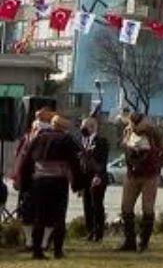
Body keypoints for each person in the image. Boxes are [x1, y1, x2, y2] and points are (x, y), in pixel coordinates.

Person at [13, 114, 82, 260]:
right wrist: (78, 184)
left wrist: (24, 183)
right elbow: (74, 163)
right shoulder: (66, 139)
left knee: (39, 216)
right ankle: (57, 251)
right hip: (58, 182)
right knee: (59, 217)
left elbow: (26, 162)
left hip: (39, 182)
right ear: (64, 128)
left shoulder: (38, 138)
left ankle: (37, 251)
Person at [118, 114, 163, 252]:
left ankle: (143, 242)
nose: (134, 127)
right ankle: (129, 242)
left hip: (149, 175)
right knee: (126, 207)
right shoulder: (128, 131)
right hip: (132, 174)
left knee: (147, 208)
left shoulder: (155, 133)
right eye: (132, 124)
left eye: (137, 124)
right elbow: (124, 145)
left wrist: (157, 165)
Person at [11, 108, 55, 253]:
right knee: (26, 212)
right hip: (28, 180)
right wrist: (17, 176)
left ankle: (43, 243)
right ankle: (29, 241)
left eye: (41, 119)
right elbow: (20, 158)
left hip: (45, 179)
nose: (37, 122)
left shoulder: (51, 137)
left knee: (46, 213)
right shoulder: (26, 137)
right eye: (36, 119)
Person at [79, 117, 110, 242]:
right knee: (86, 205)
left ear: (93, 127)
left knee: (96, 205)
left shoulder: (101, 141)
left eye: (85, 126)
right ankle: (90, 231)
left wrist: (98, 175)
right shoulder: (82, 141)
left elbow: (102, 161)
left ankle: (99, 233)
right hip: (85, 178)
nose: (82, 129)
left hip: (98, 177)